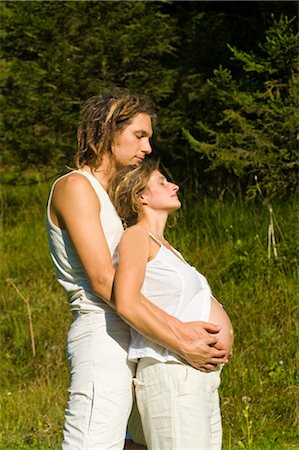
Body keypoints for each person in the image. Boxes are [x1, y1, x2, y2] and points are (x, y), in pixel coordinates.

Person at [46, 92, 228, 450]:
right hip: (103, 333)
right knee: (93, 442)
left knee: (137, 445)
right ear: (106, 131)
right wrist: (180, 339)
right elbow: (102, 281)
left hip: (137, 339)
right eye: (139, 135)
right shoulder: (75, 186)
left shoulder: (110, 199)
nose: (147, 147)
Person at [109, 160, 234, 450]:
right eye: (162, 182)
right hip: (173, 369)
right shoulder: (136, 236)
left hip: (197, 376)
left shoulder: (169, 248)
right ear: (141, 196)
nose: (174, 186)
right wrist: (183, 345)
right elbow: (126, 302)